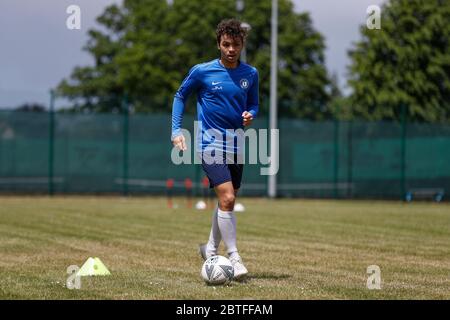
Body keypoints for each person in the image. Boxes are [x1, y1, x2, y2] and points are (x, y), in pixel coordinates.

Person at [171, 18, 259, 280]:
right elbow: (180, 96)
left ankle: (209, 249)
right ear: (219, 44)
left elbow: (253, 104)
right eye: (226, 44)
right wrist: (176, 130)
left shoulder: (250, 74)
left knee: (226, 201)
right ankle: (234, 256)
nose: (231, 49)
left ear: (242, 44)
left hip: (236, 144)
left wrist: (250, 115)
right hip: (209, 144)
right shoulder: (202, 71)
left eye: (236, 45)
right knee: (229, 198)